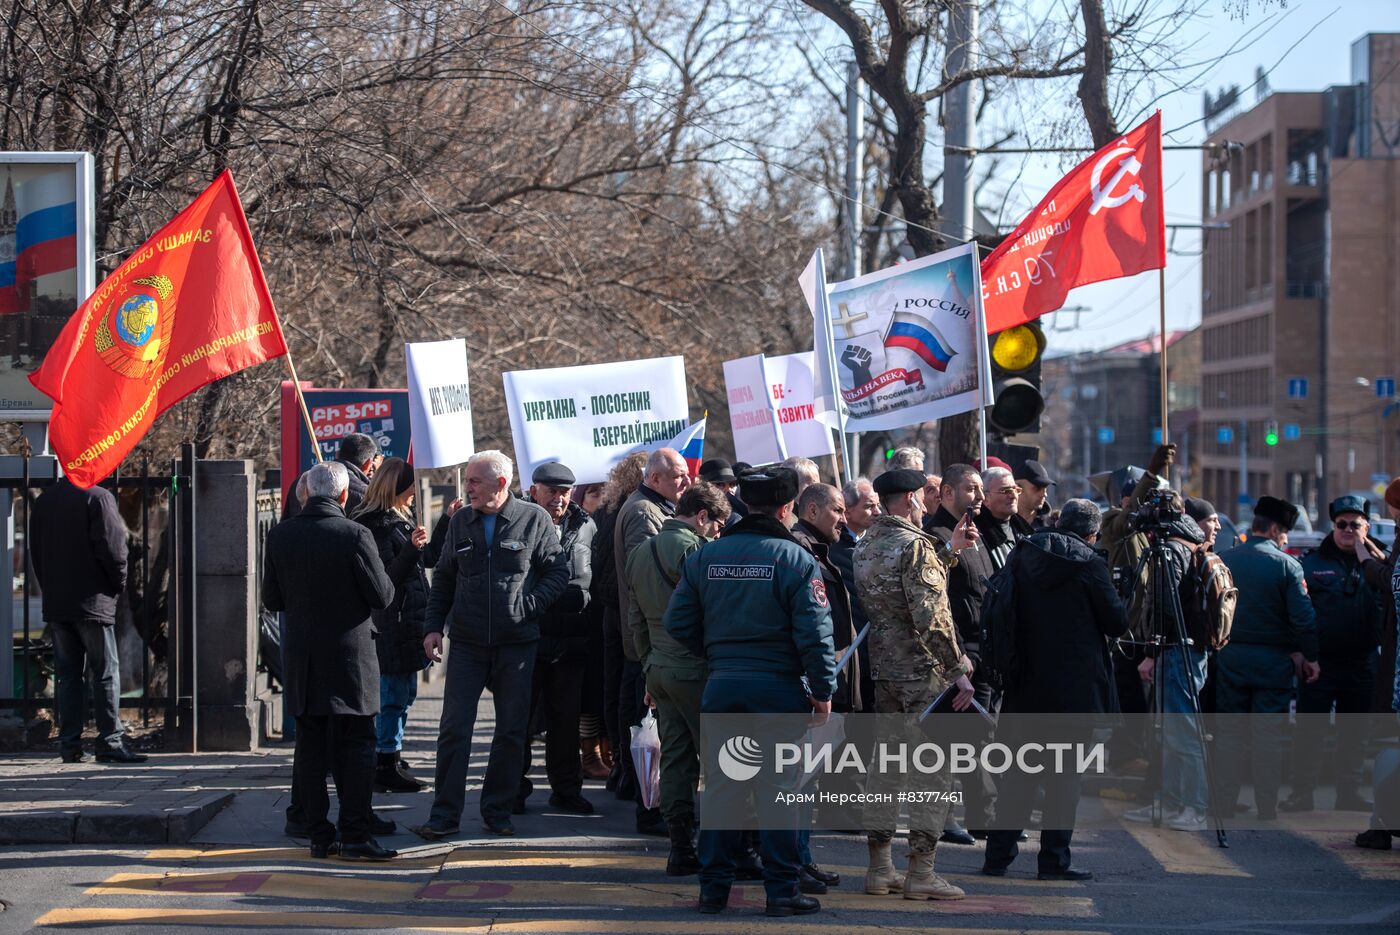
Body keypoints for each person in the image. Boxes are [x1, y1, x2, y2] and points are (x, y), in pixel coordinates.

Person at [664, 466, 837, 917]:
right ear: (786, 508)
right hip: (778, 691)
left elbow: (676, 622)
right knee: (778, 792)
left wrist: (718, 654)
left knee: (723, 790)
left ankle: (713, 891)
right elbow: (816, 636)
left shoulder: (706, 556)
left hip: (724, 687)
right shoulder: (796, 559)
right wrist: (823, 690)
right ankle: (781, 892)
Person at [415, 450, 569, 839]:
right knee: (454, 729)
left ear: (500, 483)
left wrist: (528, 606)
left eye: (474, 481)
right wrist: (433, 628)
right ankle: (444, 815)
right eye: (468, 480)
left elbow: (557, 572)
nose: (468, 487)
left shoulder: (533, 519)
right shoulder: (460, 521)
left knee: (511, 730)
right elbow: (444, 577)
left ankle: (498, 810)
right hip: (467, 644)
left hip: (516, 644)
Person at [982, 499, 1128, 881]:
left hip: (1025, 684)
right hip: (1074, 694)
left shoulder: (1023, 554)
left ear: (1061, 522)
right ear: (1092, 534)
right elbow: (1116, 622)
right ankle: (1053, 862)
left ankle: (997, 857)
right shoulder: (1090, 564)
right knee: (1065, 781)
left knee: (1019, 776)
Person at [855, 468, 978, 902]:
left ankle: (879, 869)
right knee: (933, 772)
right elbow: (930, 615)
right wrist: (957, 669)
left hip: (885, 671)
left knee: (886, 769)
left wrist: (948, 551)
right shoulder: (915, 546)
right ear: (909, 499)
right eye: (923, 496)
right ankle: (922, 872)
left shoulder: (868, 543)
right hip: (923, 675)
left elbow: (897, 589)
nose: (927, 503)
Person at [262, 461, 396, 860]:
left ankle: (318, 834)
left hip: (303, 658)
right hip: (350, 659)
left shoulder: (280, 535)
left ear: (305, 493)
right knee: (357, 746)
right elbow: (382, 595)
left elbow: (272, 599)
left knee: (311, 747)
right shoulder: (355, 534)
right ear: (343, 495)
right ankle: (354, 834)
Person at [624, 482, 730, 876]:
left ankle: (680, 848)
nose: (717, 533)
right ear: (702, 517)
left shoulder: (639, 553)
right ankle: (721, 850)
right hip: (697, 668)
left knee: (676, 759)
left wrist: (648, 666)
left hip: (659, 668)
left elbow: (635, 620)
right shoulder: (698, 553)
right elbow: (715, 613)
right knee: (721, 760)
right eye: (716, 525)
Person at [353, 457, 454, 794]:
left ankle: (390, 755)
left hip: (408, 619)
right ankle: (385, 762)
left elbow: (429, 557)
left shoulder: (399, 517)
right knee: (394, 695)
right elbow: (386, 580)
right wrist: (411, 548)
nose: (414, 494)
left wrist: (445, 521)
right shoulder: (375, 525)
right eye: (410, 489)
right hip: (392, 622)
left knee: (404, 693)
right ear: (394, 488)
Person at [1216, 496, 1319, 820]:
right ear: (1275, 530)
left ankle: (1225, 803)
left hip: (1230, 657)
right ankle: (1266, 807)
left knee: (1229, 735)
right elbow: (1303, 618)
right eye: (1285, 533)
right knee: (1268, 738)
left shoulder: (1224, 559)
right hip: (1273, 662)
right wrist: (1311, 656)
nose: (1285, 540)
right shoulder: (1287, 566)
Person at [31, 475, 144, 764]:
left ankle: (69, 744)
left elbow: (37, 553)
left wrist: (50, 588)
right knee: (105, 672)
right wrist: (118, 584)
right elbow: (114, 550)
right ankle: (110, 741)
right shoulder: (98, 498)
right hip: (93, 601)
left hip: (58, 602)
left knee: (68, 676)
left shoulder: (45, 501)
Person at [1286, 495, 1387, 813]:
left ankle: (1349, 793)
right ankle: (1302, 793)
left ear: (1366, 527)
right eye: (1341, 524)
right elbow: (1295, 611)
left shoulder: (1379, 564)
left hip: (1363, 661)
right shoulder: (1312, 563)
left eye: (1354, 525)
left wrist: (1370, 555)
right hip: (1320, 662)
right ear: (1333, 526)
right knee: (1310, 732)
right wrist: (1298, 651)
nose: (1347, 530)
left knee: (1355, 733)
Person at [615, 447, 692, 836]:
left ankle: (652, 803)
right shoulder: (645, 512)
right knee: (652, 733)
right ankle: (650, 809)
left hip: (650, 640)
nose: (686, 480)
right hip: (649, 641)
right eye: (678, 475)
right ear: (655, 478)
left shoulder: (653, 506)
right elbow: (647, 578)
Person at [1123, 505, 1213, 832]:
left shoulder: (1171, 551)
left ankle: (1194, 807)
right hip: (1184, 650)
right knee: (1173, 733)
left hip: (1176, 651)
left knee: (1183, 733)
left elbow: (1163, 604)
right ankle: (1170, 802)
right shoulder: (1188, 545)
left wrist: (1151, 652)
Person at [790, 483, 860, 891]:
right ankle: (793, 862)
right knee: (799, 778)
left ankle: (802, 857)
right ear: (812, 510)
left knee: (809, 778)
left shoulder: (817, 549)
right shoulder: (801, 550)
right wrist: (819, 685)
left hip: (824, 678)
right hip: (809, 683)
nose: (843, 519)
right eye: (837, 510)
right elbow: (810, 627)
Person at [516, 461, 597, 815]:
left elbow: (593, 578)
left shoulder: (586, 526)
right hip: (527, 638)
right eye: (551, 491)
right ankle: (512, 790)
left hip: (570, 640)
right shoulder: (516, 519)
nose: (559, 499)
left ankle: (566, 790)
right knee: (518, 721)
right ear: (534, 490)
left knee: (565, 722)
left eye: (564, 492)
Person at [925, 464, 998, 838]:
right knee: (952, 740)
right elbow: (939, 604)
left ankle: (983, 817)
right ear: (947, 493)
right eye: (972, 489)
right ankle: (946, 816)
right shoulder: (936, 538)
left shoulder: (974, 533)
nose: (980, 497)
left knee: (980, 737)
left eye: (981, 489)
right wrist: (955, 658)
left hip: (983, 650)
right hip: (957, 654)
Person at [592, 452, 649, 797]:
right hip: (625, 611)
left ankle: (620, 763)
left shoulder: (609, 509)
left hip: (611, 608)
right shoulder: (638, 511)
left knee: (615, 690)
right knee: (629, 692)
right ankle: (628, 767)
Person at [832, 478, 879, 712]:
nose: (877, 512)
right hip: (849, 654)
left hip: (878, 656)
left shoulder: (876, 542)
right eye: (869, 506)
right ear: (847, 510)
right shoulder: (833, 548)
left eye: (877, 505)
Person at [976, 466, 1030, 569]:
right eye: (1006, 491)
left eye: (1015, 490)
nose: (1013, 496)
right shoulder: (976, 535)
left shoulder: (1026, 532)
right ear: (985, 498)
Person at [699, 458, 746, 522]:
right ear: (704, 486)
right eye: (720, 484)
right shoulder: (692, 510)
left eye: (732, 484)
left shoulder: (738, 515)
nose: (728, 489)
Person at [1013, 460, 1055, 530]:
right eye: (1037, 488)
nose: (1044, 494)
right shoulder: (1002, 523)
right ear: (1017, 489)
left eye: (1045, 488)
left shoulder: (1052, 525)